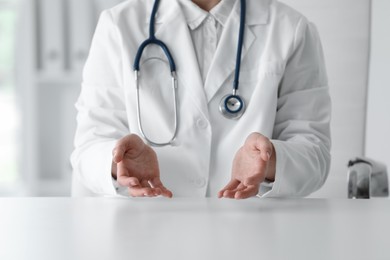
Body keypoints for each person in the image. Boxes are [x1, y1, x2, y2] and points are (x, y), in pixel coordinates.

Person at [70, 0, 331, 199]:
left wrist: (271, 161)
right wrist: (117, 162)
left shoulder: (290, 29)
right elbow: (89, 146)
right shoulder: (118, 25)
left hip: (248, 235)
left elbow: (314, 150)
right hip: (146, 235)